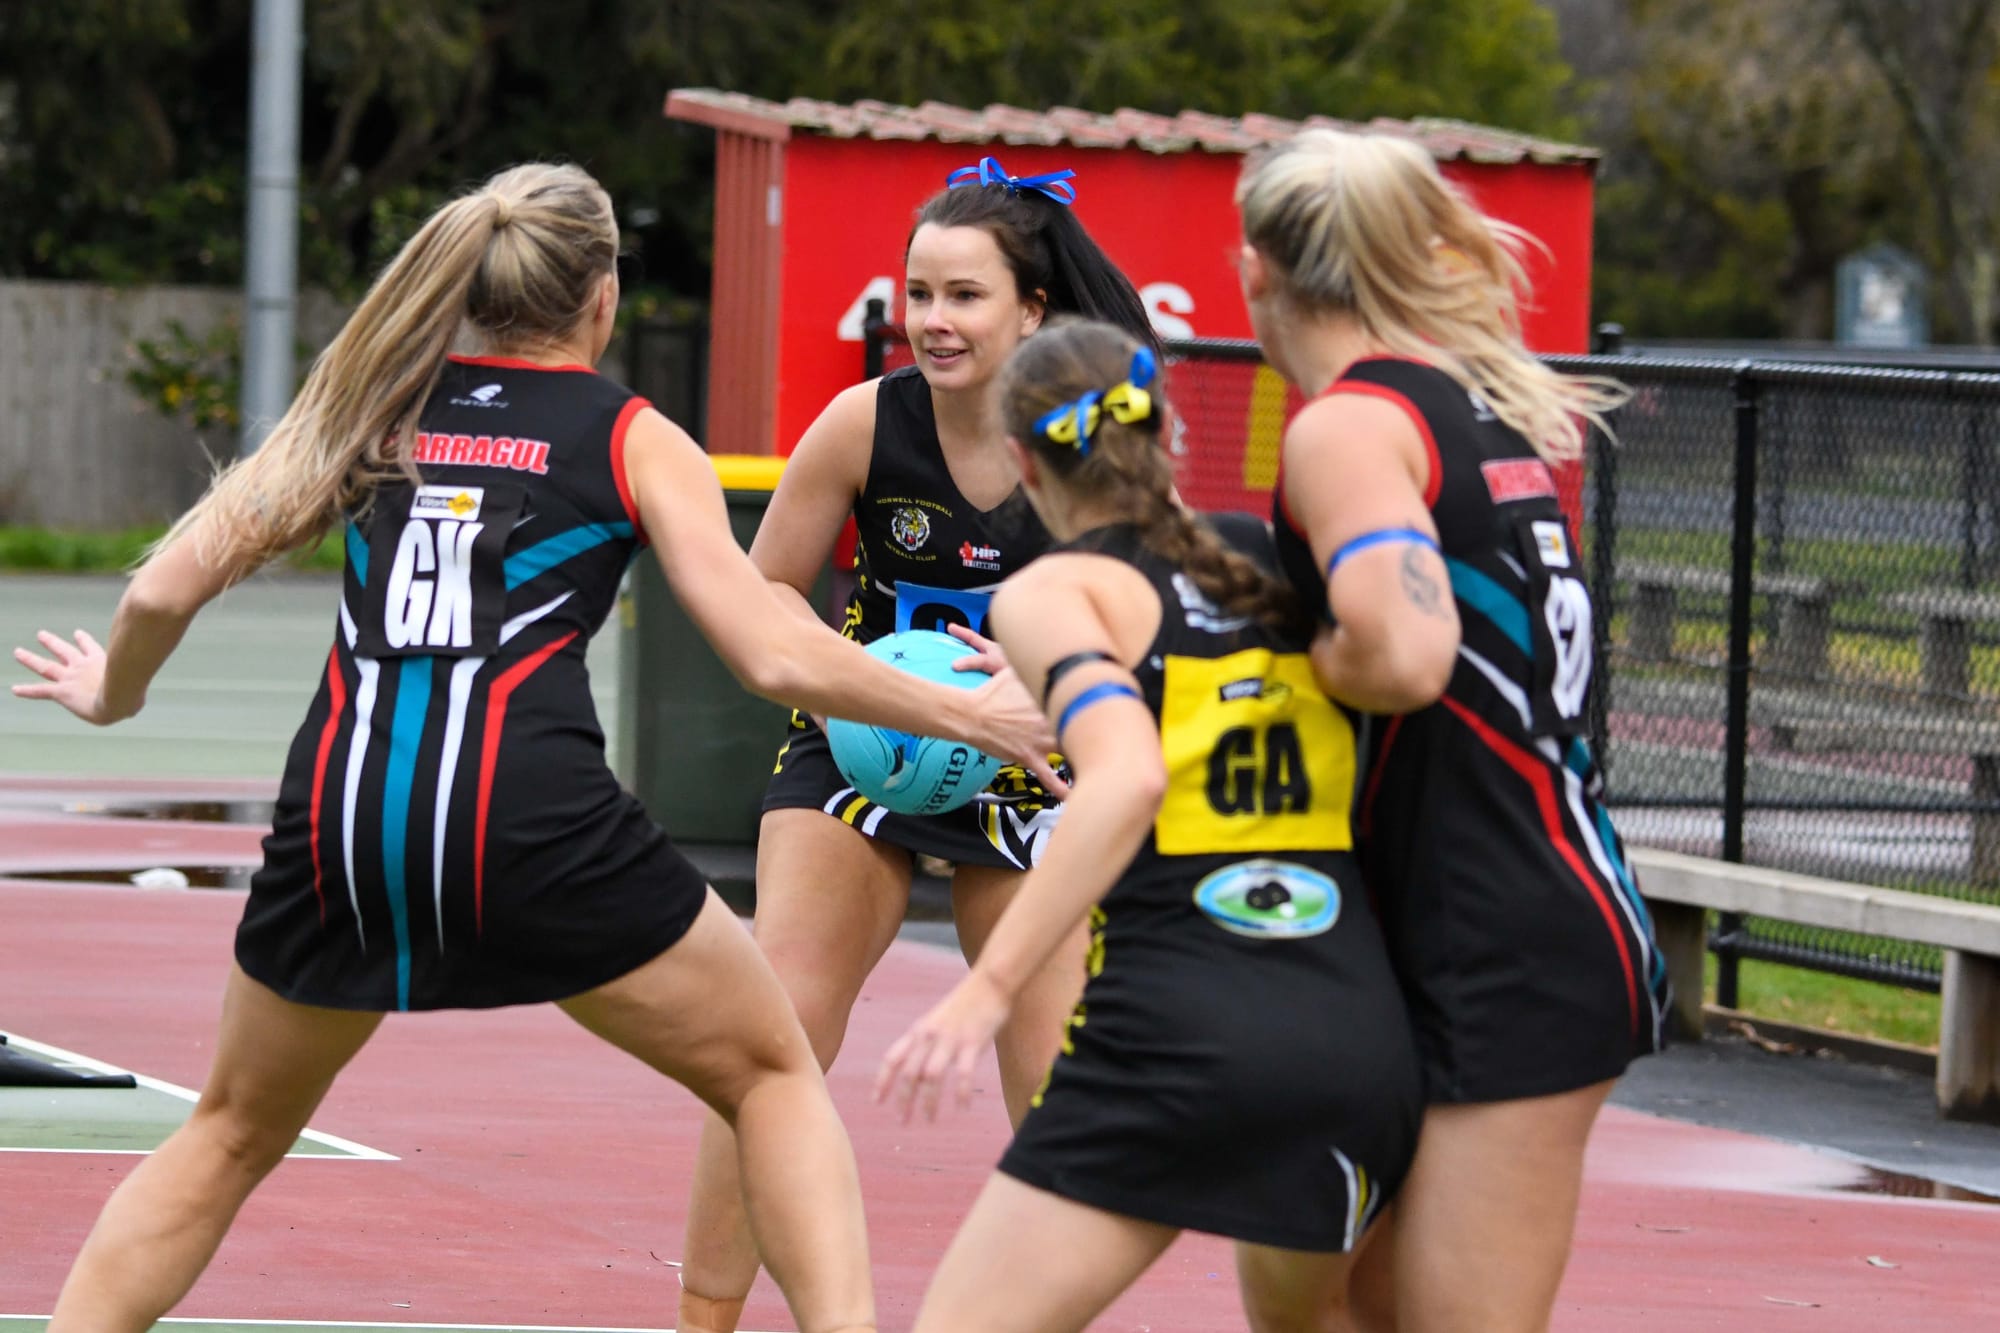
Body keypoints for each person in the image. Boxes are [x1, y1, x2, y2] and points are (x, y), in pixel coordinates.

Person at [8, 162, 1053, 1333]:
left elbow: (159, 588)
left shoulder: (371, 408)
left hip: (341, 816)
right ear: (603, 298)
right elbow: (769, 651)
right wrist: (973, 713)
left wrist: (115, 693)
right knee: (769, 1076)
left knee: (230, 1132)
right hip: (530, 817)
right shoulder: (632, 438)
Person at [674, 158, 1161, 1333]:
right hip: (860, 750)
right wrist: (866, 685)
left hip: (1027, 766)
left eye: (964, 296)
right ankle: (701, 1320)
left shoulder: (1093, 431)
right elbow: (768, 589)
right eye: (917, 293)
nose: (932, 321)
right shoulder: (865, 420)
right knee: (772, 1027)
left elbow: (1155, 611)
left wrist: (1068, 681)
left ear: (1032, 311)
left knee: (1053, 1082)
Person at [875, 318, 1425, 1333]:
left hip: (1172, 1030)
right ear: (1168, 429)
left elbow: (1129, 777)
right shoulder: (1273, 560)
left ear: (1020, 460)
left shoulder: (1056, 589)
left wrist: (985, 993)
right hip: (1349, 1034)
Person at [1236, 128, 1669, 1333]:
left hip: (1506, 938)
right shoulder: (1466, 406)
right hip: (1472, 917)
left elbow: (1406, 651)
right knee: (1321, 1299)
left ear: (1254, 270)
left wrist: (1293, 668)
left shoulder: (1348, 428)